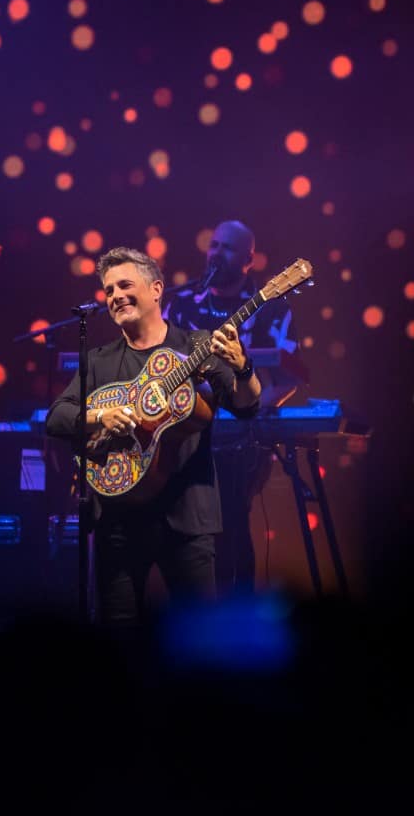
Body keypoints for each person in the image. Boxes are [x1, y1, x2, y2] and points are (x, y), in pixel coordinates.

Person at [45, 246, 261, 627]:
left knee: (198, 639)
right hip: (118, 522)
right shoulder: (98, 360)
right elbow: (57, 418)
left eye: (124, 285)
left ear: (156, 289)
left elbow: (245, 406)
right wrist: (100, 416)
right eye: (109, 290)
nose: (115, 296)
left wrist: (243, 368)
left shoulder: (196, 345)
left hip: (187, 518)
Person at [164, 220, 305, 595]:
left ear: (249, 260)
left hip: (240, 441)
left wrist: (249, 411)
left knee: (229, 529)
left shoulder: (272, 309)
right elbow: (152, 364)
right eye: (213, 245)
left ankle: (234, 619)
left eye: (227, 248)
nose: (216, 253)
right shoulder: (181, 304)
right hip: (179, 434)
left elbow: (291, 376)